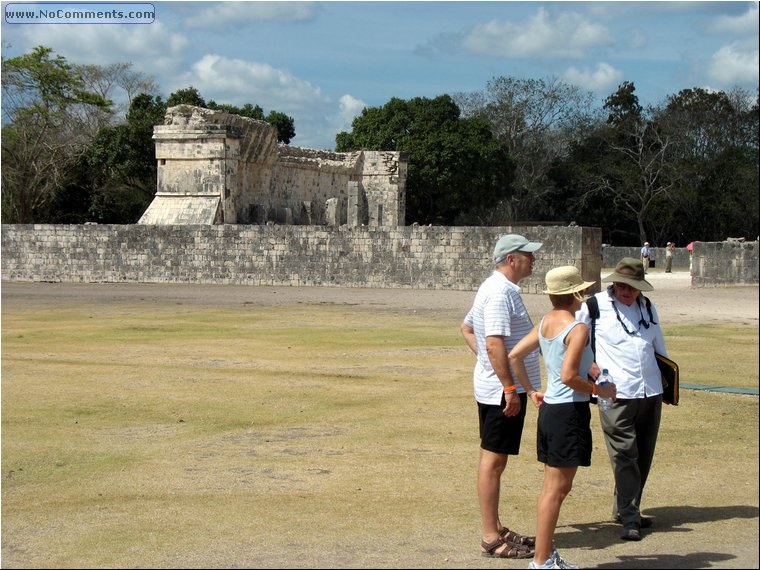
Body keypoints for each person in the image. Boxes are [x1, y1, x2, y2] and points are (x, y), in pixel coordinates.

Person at [509, 266, 615, 570]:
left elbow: (516, 354)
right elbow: (569, 376)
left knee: (553, 488)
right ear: (575, 294)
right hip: (569, 411)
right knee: (556, 490)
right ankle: (541, 561)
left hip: (552, 411)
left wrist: (532, 391)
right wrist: (600, 390)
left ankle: (545, 554)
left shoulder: (545, 322)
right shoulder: (577, 328)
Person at [460, 234, 543, 559]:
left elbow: (467, 329)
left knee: (495, 459)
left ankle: (495, 525)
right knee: (493, 461)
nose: (533, 260)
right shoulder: (498, 293)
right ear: (512, 259)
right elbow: (493, 343)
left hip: (498, 388)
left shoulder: (496, 288)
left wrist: (487, 364)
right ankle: (491, 537)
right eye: (528, 255)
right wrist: (509, 387)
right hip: (501, 393)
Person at [576, 257, 669, 542]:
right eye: (623, 285)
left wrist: (667, 378)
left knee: (642, 454)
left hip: (649, 390)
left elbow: (657, 344)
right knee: (624, 454)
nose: (628, 291)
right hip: (615, 392)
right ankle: (630, 518)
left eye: (633, 286)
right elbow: (575, 344)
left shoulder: (647, 307)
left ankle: (625, 507)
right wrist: (588, 367)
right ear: (613, 282)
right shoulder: (593, 307)